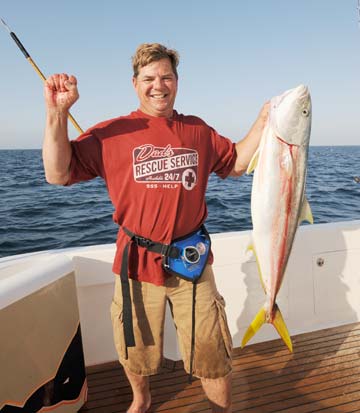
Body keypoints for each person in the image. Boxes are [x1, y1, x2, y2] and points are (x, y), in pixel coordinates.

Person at [42, 43, 268, 413]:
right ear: (135, 84)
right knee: (136, 349)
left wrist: (264, 120)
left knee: (210, 350)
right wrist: (57, 113)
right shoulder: (110, 133)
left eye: (166, 77)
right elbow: (56, 173)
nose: (158, 85)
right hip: (135, 264)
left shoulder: (198, 131)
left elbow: (238, 163)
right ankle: (141, 399)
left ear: (177, 82)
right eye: (148, 78)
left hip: (191, 262)